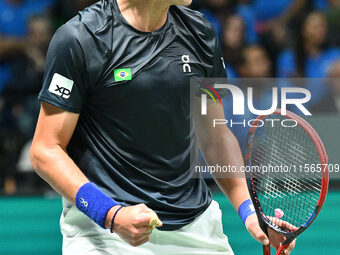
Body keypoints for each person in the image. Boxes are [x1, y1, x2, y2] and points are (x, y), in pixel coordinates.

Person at [30, 0, 295, 254]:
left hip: (195, 227)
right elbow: (45, 150)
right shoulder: (81, 37)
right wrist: (111, 214)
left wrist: (249, 212)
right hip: (104, 232)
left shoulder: (200, 32)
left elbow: (215, 137)